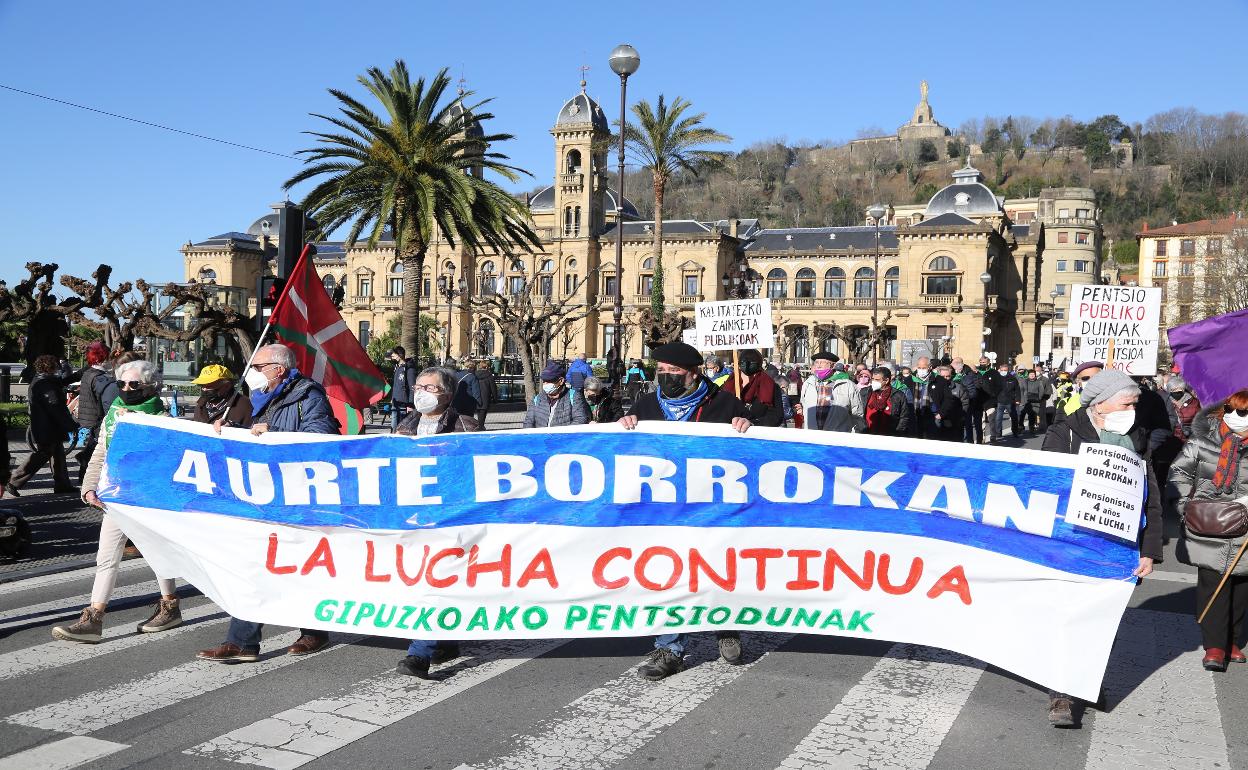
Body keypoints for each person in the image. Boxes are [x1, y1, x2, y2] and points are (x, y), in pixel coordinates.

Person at [197, 344, 340, 663]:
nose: (252, 372)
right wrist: (231, 432)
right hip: (265, 495)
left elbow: (322, 435)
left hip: (300, 496)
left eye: (258, 366)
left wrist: (273, 432)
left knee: (301, 567)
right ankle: (242, 642)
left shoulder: (308, 396)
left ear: (278, 368)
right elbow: (254, 435)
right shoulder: (258, 399)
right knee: (255, 565)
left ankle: (313, 631)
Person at [618, 341, 751, 679]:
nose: (665, 377)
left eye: (673, 372)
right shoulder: (647, 405)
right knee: (668, 574)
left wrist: (744, 422)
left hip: (712, 508)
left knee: (716, 568)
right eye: (661, 371)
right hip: (665, 511)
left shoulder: (723, 404)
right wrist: (628, 422)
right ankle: (669, 650)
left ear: (693, 375)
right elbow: (628, 448)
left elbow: (758, 440)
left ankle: (725, 625)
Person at [1042, 368, 1161, 726]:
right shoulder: (1064, 432)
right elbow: (1046, 484)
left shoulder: (1135, 437)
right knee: (1067, 617)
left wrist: (1149, 549)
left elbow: (1150, 496)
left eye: (1135, 403)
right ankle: (1062, 694)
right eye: (1128, 402)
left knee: (1101, 619)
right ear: (1101, 403)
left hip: (1116, 547)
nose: (1133, 409)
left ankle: (1087, 682)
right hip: (1071, 542)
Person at [52, 360, 182, 642]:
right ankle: (93, 619)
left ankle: (170, 605)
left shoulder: (162, 419)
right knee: (106, 557)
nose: (125, 389)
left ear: (149, 387)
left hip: (147, 499)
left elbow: (169, 459)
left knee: (157, 553)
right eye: (121, 383)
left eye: (133, 384)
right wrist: (88, 487)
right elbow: (100, 453)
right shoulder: (113, 414)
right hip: (115, 497)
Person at [392, 367, 479, 677]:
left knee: (436, 579)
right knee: (423, 582)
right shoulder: (405, 425)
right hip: (412, 518)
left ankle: (419, 654)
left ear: (447, 394)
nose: (420, 392)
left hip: (448, 519)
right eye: (418, 386)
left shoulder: (465, 427)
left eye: (429, 387)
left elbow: (476, 473)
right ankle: (445, 640)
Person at [1169, 392, 1248, 673]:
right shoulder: (1202, 441)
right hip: (1209, 524)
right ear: (1223, 410)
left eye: (1245, 412)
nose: (1238, 417)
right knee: (1212, 582)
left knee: (1241, 587)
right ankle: (1214, 644)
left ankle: (1232, 641)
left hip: (1245, 528)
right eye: (1233, 410)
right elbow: (1179, 472)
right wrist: (1184, 506)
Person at [8, 355, 76, 495]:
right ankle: (13, 481)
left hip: (44, 425)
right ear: (49, 368)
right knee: (43, 454)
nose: (59, 368)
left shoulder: (41, 380)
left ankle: (62, 484)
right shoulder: (46, 385)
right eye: (56, 366)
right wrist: (70, 424)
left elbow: (57, 391)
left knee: (57, 454)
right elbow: (56, 407)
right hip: (47, 427)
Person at [73, 342, 112, 487]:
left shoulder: (88, 372)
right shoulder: (99, 377)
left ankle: (83, 476)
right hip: (96, 418)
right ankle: (85, 476)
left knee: (92, 446)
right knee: (94, 449)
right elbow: (105, 398)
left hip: (87, 416)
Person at [799, 352, 862, 433]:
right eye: (816, 363)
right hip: (813, 436)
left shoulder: (847, 385)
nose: (818, 366)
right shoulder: (808, 383)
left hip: (837, 437)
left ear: (832, 366)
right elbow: (803, 403)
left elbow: (857, 414)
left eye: (822, 363)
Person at [720, 349, 784, 427]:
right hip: (729, 435)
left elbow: (776, 416)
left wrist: (753, 423)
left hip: (757, 435)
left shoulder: (770, 386)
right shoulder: (728, 385)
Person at [522, 361, 589, 428]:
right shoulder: (537, 399)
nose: (545, 384)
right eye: (544, 381)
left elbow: (580, 420)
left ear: (561, 381)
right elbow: (528, 422)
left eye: (549, 381)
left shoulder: (574, 397)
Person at [861, 367, 911, 436]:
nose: (873, 382)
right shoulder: (865, 392)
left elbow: (904, 417)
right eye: (873, 379)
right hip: (867, 434)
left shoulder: (898, 395)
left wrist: (898, 433)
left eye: (877, 380)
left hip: (889, 436)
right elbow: (859, 414)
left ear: (886, 380)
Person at [928, 364, 964, 442]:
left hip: (953, 421)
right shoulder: (933, 387)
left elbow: (965, 404)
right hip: (938, 419)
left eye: (947, 376)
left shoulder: (958, 388)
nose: (945, 379)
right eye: (943, 376)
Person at [950, 357, 981, 444]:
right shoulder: (952, 374)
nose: (951, 366)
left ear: (958, 365)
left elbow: (973, 391)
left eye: (953, 364)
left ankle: (970, 442)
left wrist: (964, 398)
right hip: (954, 404)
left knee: (967, 424)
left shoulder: (968, 375)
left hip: (967, 404)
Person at [387, 347, 418, 432]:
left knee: (401, 427)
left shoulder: (409, 369)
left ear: (399, 355)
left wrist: (410, 404)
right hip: (395, 402)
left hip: (404, 403)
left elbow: (412, 387)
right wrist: (392, 398)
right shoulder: (397, 367)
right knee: (394, 426)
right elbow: (396, 385)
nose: (392, 356)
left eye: (394, 354)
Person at [906, 357, 936, 438]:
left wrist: (938, 412)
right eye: (919, 367)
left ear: (930, 367)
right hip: (914, 415)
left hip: (931, 415)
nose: (921, 370)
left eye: (924, 368)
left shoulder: (937, 379)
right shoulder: (909, 380)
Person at [992, 361, 1021, 442]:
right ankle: (998, 433)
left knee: (1014, 418)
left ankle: (1015, 432)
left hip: (1010, 402)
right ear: (1000, 370)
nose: (1004, 371)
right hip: (999, 401)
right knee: (998, 419)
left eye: (1005, 370)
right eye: (1002, 370)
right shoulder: (996, 378)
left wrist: (1018, 399)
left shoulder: (1012, 378)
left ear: (1008, 370)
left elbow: (1017, 390)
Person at [1021, 370, 1053, 435]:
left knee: (1032, 415)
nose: (1032, 375)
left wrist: (1039, 398)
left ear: (1035, 375)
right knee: (1022, 414)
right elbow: (1022, 390)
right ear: (1028, 375)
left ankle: (1031, 427)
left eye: (1033, 374)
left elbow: (1041, 391)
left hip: (1036, 402)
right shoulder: (1025, 381)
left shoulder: (1039, 382)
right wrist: (1023, 399)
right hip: (1027, 401)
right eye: (1030, 374)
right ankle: (1020, 426)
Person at [474, 361, 498, 427]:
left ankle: (479, 425)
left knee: (479, 412)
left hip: (476, 396)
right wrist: (495, 398)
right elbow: (493, 388)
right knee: (483, 412)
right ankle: (481, 426)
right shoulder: (489, 376)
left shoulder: (475, 375)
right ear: (487, 367)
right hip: (485, 396)